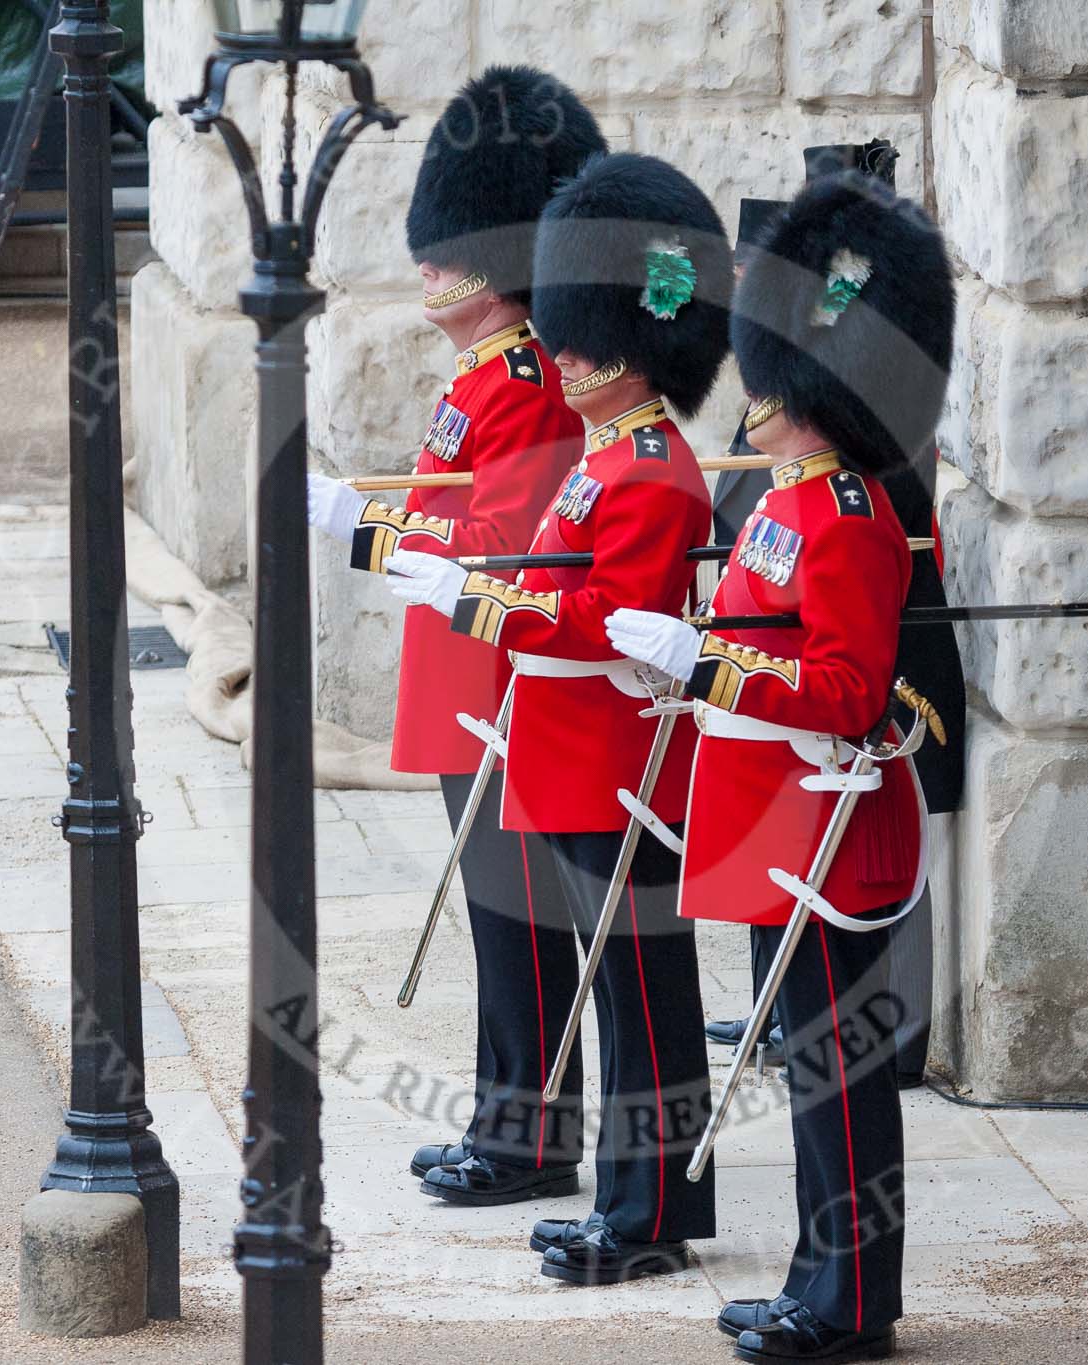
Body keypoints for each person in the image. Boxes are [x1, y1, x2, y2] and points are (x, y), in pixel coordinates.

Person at [605, 170, 957, 1361]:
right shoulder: (782, 503)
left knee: (839, 1082)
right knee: (808, 1069)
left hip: (824, 829)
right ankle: (820, 1277)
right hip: (772, 825)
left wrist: (708, 671)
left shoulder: (846, 514)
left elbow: (850, 696)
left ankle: (852, 1303)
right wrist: (688, 656)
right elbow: (765, 640)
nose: (745, 395)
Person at [384, 151, 729, 1284]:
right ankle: (633, 1208)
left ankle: (650, 1216)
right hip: (573, 747)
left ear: (631, 346)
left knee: (638, 990)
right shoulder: (607, 458)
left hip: (613, 758)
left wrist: (480, 594)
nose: (562, 350)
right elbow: (561, 577)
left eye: (583, 336)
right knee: (618, 984)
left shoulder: (646, 466)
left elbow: (595, 614)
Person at [304, 65, 604, 1202]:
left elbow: (497, 540)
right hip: (459, 667)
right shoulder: (478, 373)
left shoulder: (521, 379)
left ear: (494, 263)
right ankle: (505, 1117)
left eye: (444, 249)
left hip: (500, 675)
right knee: (495, 917)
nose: (424, 266)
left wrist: (360, 526)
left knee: (517, 919)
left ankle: (530, 1137)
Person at [701, 139, 953, 1092]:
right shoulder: (799, 382)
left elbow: (874, 508)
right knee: (805, 896)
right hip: (797, 667)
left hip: (877, 651)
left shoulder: (859, 386)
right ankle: (787, 1003)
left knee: (887, 857)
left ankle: (894, 1032)